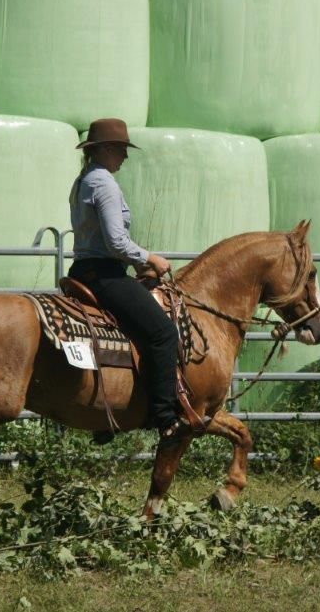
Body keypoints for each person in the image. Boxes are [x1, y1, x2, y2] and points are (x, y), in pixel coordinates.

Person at [68, 117, 190, 443]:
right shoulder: (104, 184)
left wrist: (135, 265)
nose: (125, 156)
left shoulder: (83, 180)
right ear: (105, 149)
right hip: (104, 274)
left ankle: (110, 412)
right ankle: (164, 415)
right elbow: (115, 242)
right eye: (121, 149)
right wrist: (150, 259)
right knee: (163, 333)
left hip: (85, 270)